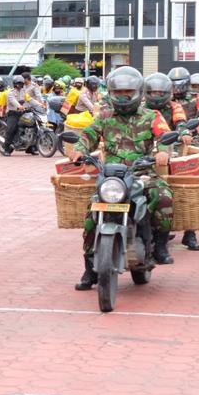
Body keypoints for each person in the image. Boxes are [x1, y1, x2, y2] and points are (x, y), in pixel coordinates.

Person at [67, 67, 174, 286]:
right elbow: (89, 135)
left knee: (163, 196)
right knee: (91, 214)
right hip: (112, 176)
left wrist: (163, 151)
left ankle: (161, 245)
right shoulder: (105, 117)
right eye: (118, 92)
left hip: (143, 172)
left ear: (137, 92)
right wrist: (78, 149)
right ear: (111, 93)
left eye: (128, 92)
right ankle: (90, 268)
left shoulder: (152, 115)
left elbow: (164, 135)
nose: (123, 96)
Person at [1, 74, 26, 155]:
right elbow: (13, 101)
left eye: (21, 83)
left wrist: (39, 104)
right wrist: (19, 106)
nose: (20, 85)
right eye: (18, 83)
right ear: (15, 84)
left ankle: (31, 147)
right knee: (11, 130)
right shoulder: (11, 93)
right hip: (13, 114)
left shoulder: (24, 92)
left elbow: (29, 100)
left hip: (22, 113)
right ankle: (6, 149)